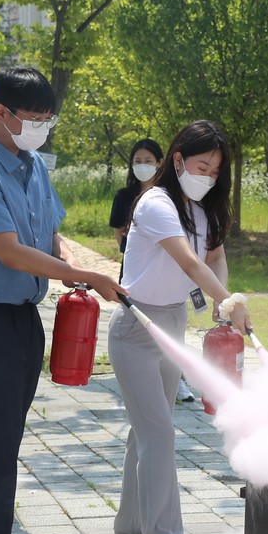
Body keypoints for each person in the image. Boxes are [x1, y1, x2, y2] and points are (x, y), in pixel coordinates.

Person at [0, 66, 125, 534]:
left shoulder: (30, 166)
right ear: (1, 114)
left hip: (21, 316)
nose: (42, 127)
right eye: (34, 119)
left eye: (49, 119)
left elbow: (48, 235)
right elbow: (9, 250)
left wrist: (70, 262)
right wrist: (83, 274)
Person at [109, 120, 251, 534]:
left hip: (172, 319)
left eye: (215, 171)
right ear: (177, 161)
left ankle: (132, 521)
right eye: (201, 166)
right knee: (160, 433)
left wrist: (221, 300)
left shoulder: (203, 208)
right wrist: (226, 300)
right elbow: (188, 261)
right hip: (137, 323)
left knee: (150, 426)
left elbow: (213, 255)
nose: (207, 177)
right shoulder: (155, 203)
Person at [108, 138, 195, 403]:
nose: (142, 166)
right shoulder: (125, 196)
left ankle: (178, 381)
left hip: (168, 277)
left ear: (160, 163)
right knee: (143, 331)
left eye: (148, 161)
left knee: (170, 338)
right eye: (137, 161)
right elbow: (118, 234)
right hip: (136, 271)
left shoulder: (169, 199)